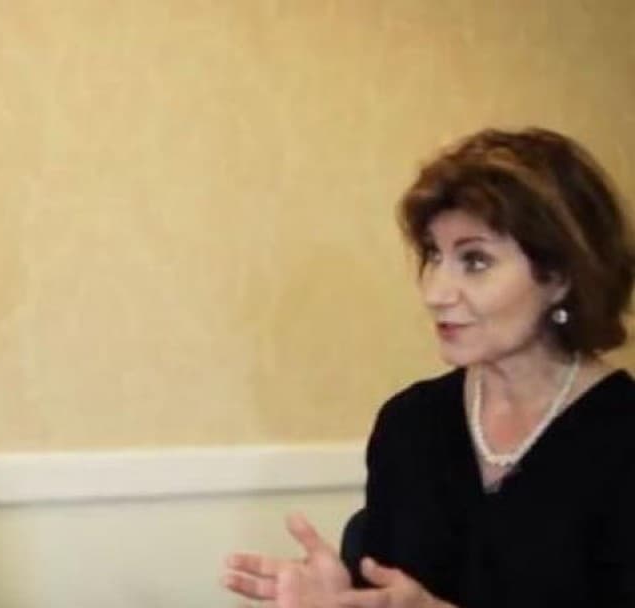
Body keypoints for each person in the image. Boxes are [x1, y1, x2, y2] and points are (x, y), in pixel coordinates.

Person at [223, 128, 635, 607]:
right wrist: (344, 598)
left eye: (475, 261)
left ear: (560, 277)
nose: (436, 292)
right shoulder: (410, 424)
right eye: (435, 255)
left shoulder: (622, 437)